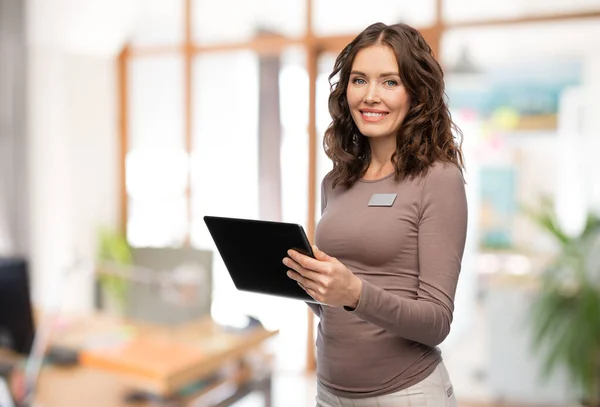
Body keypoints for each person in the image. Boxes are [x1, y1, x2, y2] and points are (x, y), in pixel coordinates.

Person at [282, 22, 468, 406]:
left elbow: (436, 322)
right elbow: (335, 306)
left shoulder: (439, 179)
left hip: (407, 393)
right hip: (329, 392)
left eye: (389, 82)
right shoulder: (335, 182)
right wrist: (305, 281)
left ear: (416, 93)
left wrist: (354, 293)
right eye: (359, 80)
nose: (370, 96)